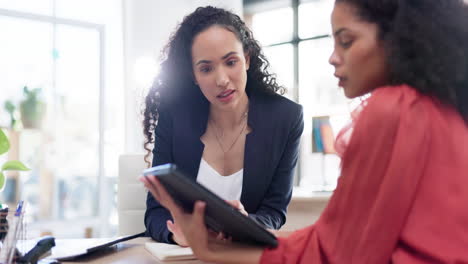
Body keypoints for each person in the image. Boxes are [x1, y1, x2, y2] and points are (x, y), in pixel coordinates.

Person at [141, 0, 468, 262]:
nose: (332, 58)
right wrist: (184, 235)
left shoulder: (392, 110)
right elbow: (343, 243)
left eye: (346, 41)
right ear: (193, 75)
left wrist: (220, 245)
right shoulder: (437, 109)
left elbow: (334, 249)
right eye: (206, 68)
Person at [142, 6, 304, 246]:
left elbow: (275, 211)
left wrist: (245, 223)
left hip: (243, 255)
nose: (221, 80)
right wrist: (178, 233)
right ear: (193, 75)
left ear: (247, 59)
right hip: (185, 257)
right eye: (206, 68)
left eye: (231, 62)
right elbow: (155, 212)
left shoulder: (286, 117)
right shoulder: (174, 118)